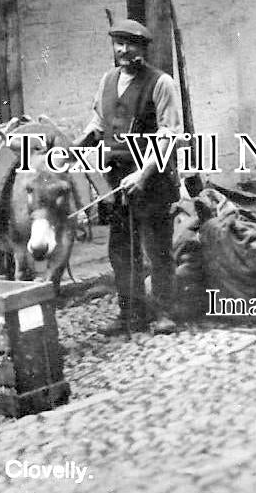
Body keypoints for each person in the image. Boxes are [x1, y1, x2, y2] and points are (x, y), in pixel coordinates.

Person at [73, 18, 182, 336]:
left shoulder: (161, 83)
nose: (123, 49)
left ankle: (164, 311)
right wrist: (75, 147)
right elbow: (97, 122)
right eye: (118, 43)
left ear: (143, 48)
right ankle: (131, 313)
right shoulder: (108, 80)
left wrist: (144, 174)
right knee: (121, 251)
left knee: (157, 248)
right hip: (116, 181)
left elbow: (169, 134)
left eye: (130, 44)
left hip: (153, 178)